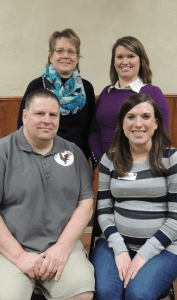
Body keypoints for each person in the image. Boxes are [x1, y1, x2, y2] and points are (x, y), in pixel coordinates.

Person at [0, 89, 95, 300]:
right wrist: (19, 256)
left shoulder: (74, 153)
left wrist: (62, 248)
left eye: (53, 115)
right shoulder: (3, 151)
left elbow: (86, 203)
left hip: (60, 247)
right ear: (25, 116)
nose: (47, 120)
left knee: (82, 292)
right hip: (10, 250)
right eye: (39, 114)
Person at [91, 93, 177, 300]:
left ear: (156, 124)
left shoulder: (171, 158)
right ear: (122, 123)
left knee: (137, 294)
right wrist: (120, 249)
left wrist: (143, 254)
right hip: (114, 243)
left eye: (146, 117)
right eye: (131, 117)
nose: (138, 124)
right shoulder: (109, 158)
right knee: (106, 294)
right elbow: (103, 211)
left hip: (164, 247)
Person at [89, 36, 169, 166]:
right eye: (120, 57)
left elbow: (162, 134)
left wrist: (141, 164)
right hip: (107, 166)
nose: (125, 62)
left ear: (141, 60)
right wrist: (100, 159)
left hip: (142, 166)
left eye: (131, 56)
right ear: (114, 62)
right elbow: (94, 130)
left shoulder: (153, 93)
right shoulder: (106, 93)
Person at [17, 28, 95, 160]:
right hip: (41, 158)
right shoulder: (36, 86)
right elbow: (22, 124)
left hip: (77, 159)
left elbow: (91, 128)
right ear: (51, 55)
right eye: (59, 51)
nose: (66, 56)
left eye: (71, 52)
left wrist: (90, 161)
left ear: (77, 58)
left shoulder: (86, 88)